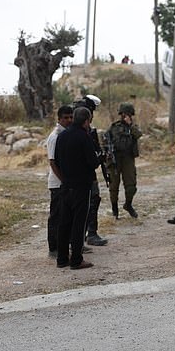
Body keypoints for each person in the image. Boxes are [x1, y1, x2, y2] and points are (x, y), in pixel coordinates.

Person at [54, 107, 100, 270]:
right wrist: (100, 158)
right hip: (81, 186)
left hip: (65, 185)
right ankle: (76, 259)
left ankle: (61, 259)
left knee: (64, 223)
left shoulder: (62, 136)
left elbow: (56, 161)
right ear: (87, 121)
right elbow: (93, 162)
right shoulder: (84, 137)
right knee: (78, 224)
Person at [74, 95, 108, 246]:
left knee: (93, 200)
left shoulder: (87, 131)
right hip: (83, 174)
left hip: (87, 174)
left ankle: (89, 233)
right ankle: (89, 234)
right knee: (89, 202)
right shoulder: (80, 132)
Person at [103, 103, 142, 219]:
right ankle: (115, 210)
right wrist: (107, 152)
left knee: (131, 186)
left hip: (128, 159)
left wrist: (130, 125)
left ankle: (128, 205)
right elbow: (105, 140)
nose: (126, 116)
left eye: (129, 114)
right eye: (124, 114)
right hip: (115, 159)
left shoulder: (133, 127)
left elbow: (139, 135)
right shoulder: (113, 127)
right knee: (114, 187)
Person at [46, 105, 74, 258]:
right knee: (56, 215)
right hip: (58, 183)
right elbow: (52, 162)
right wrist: (64, 180)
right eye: (66, 118)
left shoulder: (67, 134)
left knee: (66, 216)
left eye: (71, 117)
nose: (69, 120)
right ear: (59, 119)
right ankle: (53, 247)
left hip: (65, 182)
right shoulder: (55, 136)